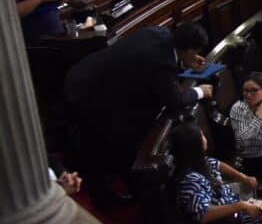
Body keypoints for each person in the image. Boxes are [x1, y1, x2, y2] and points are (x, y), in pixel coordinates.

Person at [64, 22, 213, 205]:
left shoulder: (160, 32)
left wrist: (185, 62)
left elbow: (154, 70)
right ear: (189, 49)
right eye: (195, 51)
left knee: (106, 140)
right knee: (100, 143)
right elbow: (174, 99)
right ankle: (103, 197)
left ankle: (106, 183)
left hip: (91, 78)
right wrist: (200, 91)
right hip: (88, 92)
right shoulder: (161, 60)